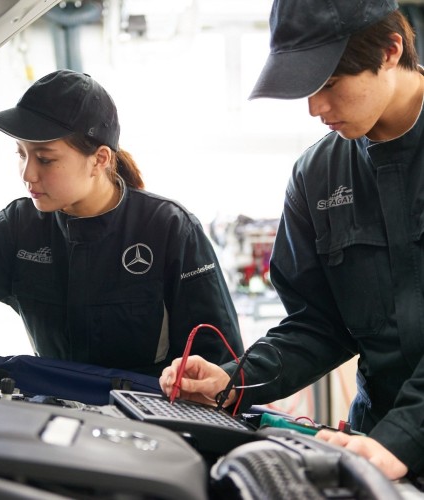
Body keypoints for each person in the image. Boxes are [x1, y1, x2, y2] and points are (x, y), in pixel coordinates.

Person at [160, 0, 424, 483]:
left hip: (392, 442)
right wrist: (234, 380)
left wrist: (403, 437)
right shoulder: (317, 177)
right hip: (373, 449)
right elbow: (318, 324)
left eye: (328, 85)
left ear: (390, 51)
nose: (314, 108)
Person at [0, 69, 243, 378]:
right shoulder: (17, 230)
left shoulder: (171, 229)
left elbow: (221, 365)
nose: (27, 174)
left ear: (100, 159)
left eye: (45, 159)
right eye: (21, 154)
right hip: (56, 416)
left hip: (149, 420)